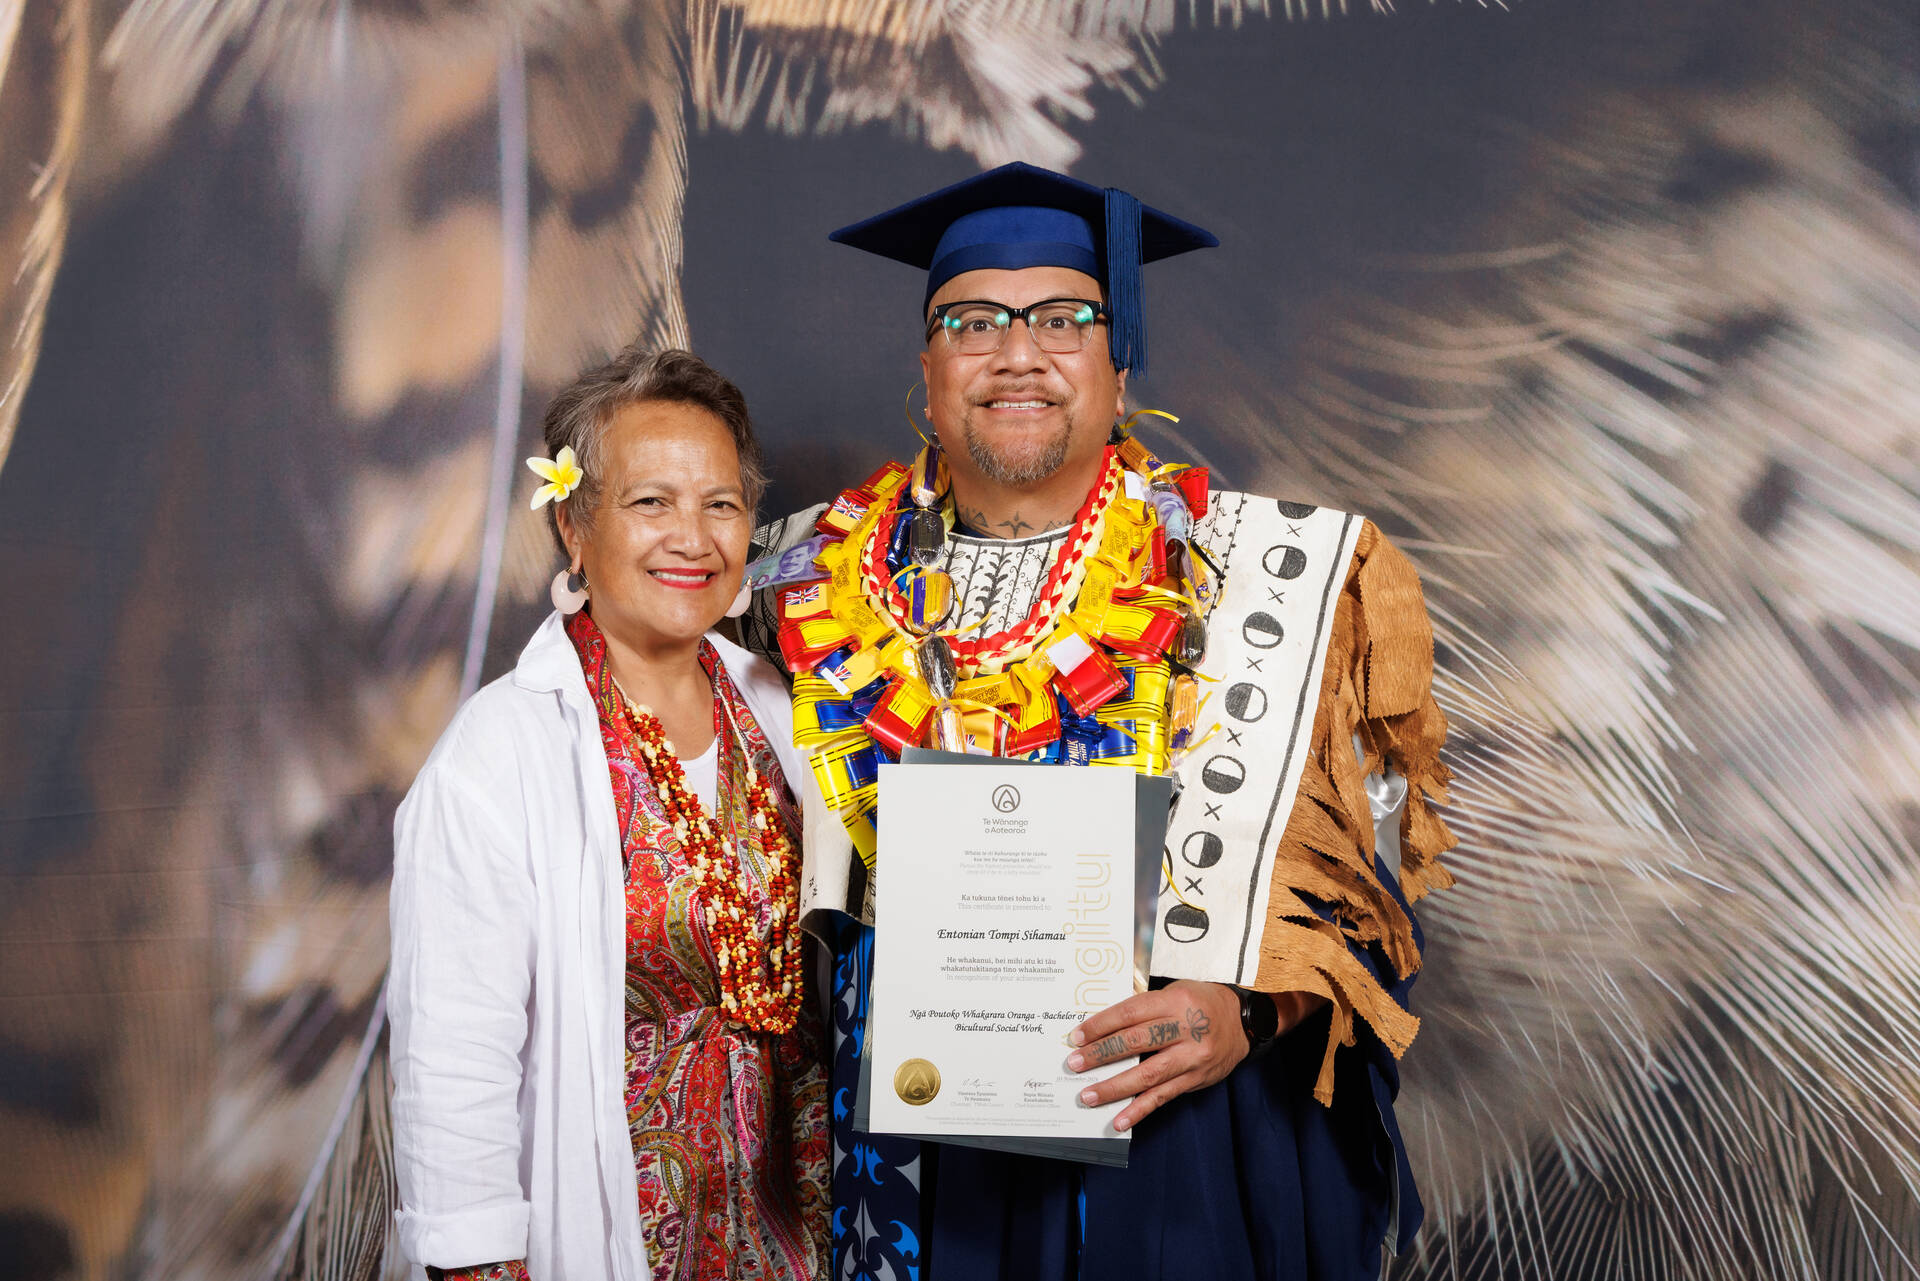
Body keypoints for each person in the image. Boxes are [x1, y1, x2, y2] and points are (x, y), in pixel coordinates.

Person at [734, 163, 1457, 1280]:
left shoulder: (1273, 571)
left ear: (1121, 369)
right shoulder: (793, 575)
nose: (1017, 353)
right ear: (926, 370)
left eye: (1064, 319)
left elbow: (1367, 888)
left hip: (1168, 1137)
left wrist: (1247, 1014)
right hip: (905, 1147)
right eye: (972, 321)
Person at [389, 346, 829, 1281]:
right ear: (574, 525)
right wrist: (478, 1265)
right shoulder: (497, 755)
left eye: (721, 504)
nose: (693, 538)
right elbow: (453, 1059)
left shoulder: (783, 706)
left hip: (802, 1233)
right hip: (614, 1240)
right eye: (651, 502)